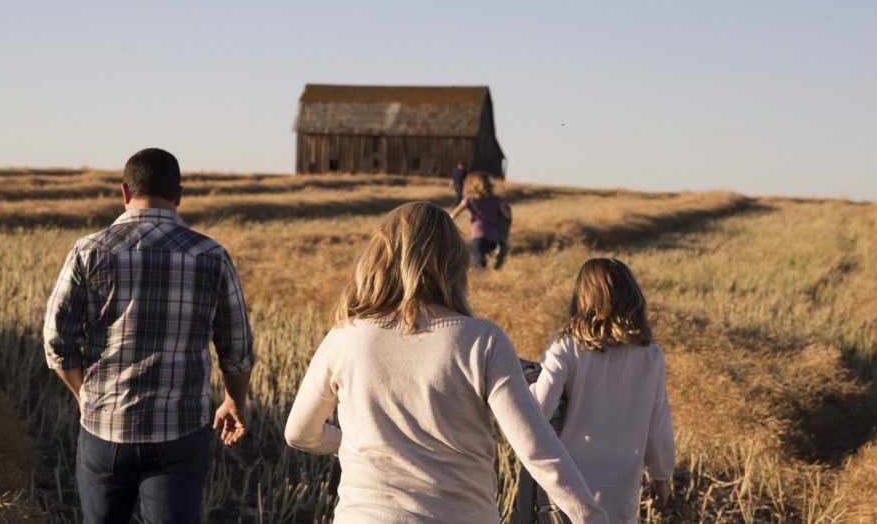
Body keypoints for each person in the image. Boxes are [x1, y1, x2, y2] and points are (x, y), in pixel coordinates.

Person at [284, 202, 609, 524]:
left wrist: (356, 445)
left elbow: (299, 433)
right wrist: (591, 517)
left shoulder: (345, 337)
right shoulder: (483, 340)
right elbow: (537, 451)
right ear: (454, 263)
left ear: (378, 258)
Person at [43, 148, 255, 524]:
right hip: (180, 432)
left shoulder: (88, 251)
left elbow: (57, 345)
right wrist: (234, 400)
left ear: (125, 192)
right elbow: (236, 349)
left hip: (104, 429)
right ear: (179, 196)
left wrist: (85, 397)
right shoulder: (210, 255)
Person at [533, 258, 674, 524]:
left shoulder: (565, 346)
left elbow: (539, 408)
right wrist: (661, 476)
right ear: (632, 296)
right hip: (624, 478)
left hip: (571, 479)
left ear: (581, 297)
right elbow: (659, 423)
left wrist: (527, 385)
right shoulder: (651, 355)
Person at [451, 171, 510, 269]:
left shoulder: (469, 199)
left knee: (478, 267)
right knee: (489, 266)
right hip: (493, 238)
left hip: (478, 236)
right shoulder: (496, 200)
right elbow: (507, 215)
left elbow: (453, 215)